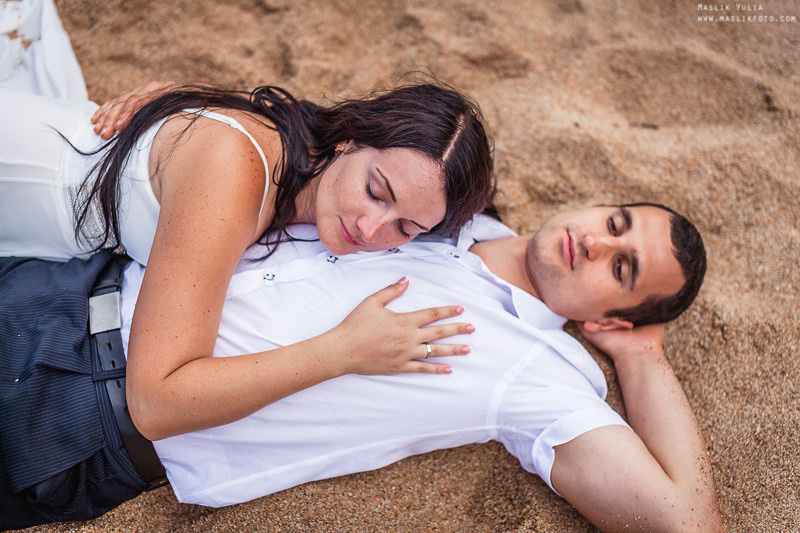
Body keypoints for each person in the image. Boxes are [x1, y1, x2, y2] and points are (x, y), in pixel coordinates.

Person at [0, 204, 723, 531]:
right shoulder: (456, 202)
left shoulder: (540, 372)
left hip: (90, 412)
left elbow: (686, 520)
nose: (596, 242)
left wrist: (641, 354)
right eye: (617, 221)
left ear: (611, 317)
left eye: (621, 268)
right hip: (71, 279)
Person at [0, 1, 497, 447]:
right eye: (375, 191)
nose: (371, 229)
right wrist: (341, 352)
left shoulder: (301, 153)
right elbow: (154, 404)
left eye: (405, 229)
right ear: (350, 139)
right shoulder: (235, 170)